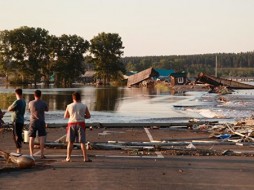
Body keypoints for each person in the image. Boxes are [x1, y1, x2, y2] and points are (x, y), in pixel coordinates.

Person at [64, 91, 91, 162]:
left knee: (70, 142)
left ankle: (68, 157)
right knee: (82, 142)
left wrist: (72, 115)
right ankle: (85, 158)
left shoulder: (69, 106)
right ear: (80, 98)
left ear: (73, 98)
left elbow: (66, 116)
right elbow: (88, 116)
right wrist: (82, 116)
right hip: (81, 123)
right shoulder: (84, 106)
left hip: (71, 123)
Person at [28, 90, 48, 159]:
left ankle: (31, 154)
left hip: (33, 121)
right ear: (40, 95)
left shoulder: (30, 103)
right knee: (41, 137)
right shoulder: (43, 103)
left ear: (34, 95)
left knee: (31, 137)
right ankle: (42, 154)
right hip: (41, 121)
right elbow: (47, 109)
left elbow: (29, 110)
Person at [7, 88, 26, 154]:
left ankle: (18, 151)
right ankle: (19, 149)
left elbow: (9, 109)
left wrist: (11, 108)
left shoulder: (17, 101)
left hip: (16, 120)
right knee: (19, 134)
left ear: (16, 94)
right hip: (21, 120)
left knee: (16, 135)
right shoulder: (23, 101)